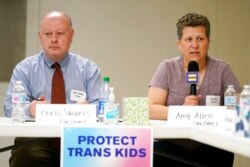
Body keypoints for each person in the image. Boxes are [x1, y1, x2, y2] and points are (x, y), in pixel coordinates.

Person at [4, 11, 102, 167]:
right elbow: (9, 108)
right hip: (37, 139)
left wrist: (88, 110)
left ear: (72, 35)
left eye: (60, 33)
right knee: (27, 155)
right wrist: (30, 108)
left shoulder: (89, 69)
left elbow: (102, 107)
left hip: (79, 139)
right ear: (40, 36)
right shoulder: (25, 69)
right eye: (48, 34)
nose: (54, 39)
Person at [148, 13, 242, 166]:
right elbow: (150, 109)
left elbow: (241, 108)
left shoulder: (222, 69)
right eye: (188, 39)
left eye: (200, 39)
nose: (195, 45)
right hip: (171, 146)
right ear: (179, 44)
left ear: (208, 42)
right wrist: (182, 111)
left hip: (212, 145)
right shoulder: (167, 67)